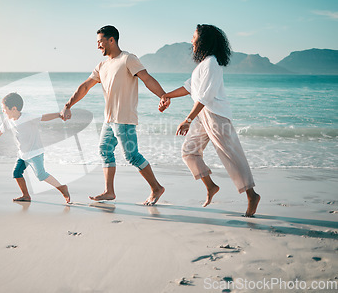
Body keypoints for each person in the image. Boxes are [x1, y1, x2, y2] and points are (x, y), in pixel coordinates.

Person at [159, 24, 261, 217]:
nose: (192, 40)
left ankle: (251, 195)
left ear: (203, 40)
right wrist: (166, 95)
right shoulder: (203, 65)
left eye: (194, 37)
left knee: (231, 156)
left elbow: (205, 97)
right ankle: (211, 186)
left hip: (216, 115)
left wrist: (187, 119)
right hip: (203, 114)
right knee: (189, 151)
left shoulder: (212, 64)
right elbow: (189, 88)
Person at [60, 25, 168, 206]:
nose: (98, 46)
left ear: (111, 40)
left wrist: (163, 96)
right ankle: (109, 191)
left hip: (124, 119)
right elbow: (85, 86)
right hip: (109, 120)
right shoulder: (102, 66)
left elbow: (146, 78)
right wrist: (68, 104)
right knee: (104, 150)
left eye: (100, 42)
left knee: (132, 156)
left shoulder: (128, 59)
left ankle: (156, 188)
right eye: (97, 42)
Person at [0, 92, 70, 204]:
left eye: (4, 109)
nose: (3, 111)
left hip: (35, 152)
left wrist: (59, 114)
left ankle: (62, 188)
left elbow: (44, 117)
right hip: (23, 154)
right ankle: (26, 195)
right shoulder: (8, 121)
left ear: (13, 108)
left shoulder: (27, 117)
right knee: (17, 173)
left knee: (41, 175)